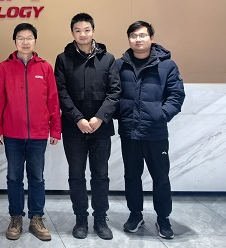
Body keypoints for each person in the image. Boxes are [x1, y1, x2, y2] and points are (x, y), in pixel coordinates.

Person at [0, 23, 61, 241]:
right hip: (12, 133)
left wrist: (55, 129)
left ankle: (36, 218)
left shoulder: (45, 68)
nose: (25, 42)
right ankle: (15, 217)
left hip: (38, 134)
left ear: (35, 41)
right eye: (21, 38)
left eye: (29, 38)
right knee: (14, 177)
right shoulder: (4, 67)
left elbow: (53, 100)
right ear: (15, 41)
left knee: (37, 178)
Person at [116, 21, 185, 240]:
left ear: (151, 38)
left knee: (161, 177)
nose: (138, 39)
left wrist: (160, 115)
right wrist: (120, 114)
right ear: (129, 39)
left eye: (142, 35)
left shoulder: (167, 65)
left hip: (156, 133)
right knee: (131, 176)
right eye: (133, 36)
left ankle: (163, 218)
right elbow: (113, 94)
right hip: (129, 132)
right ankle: (135, 215)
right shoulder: (119, 65)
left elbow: (176, 96)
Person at [55, 13, 121, 240]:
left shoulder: (108, 59)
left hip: (101, 128)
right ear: (72, 33)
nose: (82, 34)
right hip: (74, 128)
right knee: (76, 175)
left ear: (93, 31)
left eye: (86, 30)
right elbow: (61, 92)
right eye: (77, 30)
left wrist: (99, 118)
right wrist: (78, 119)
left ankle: (100, 219)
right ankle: (80, 219)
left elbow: (115, 92)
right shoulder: (63, 59)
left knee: (100, 175)